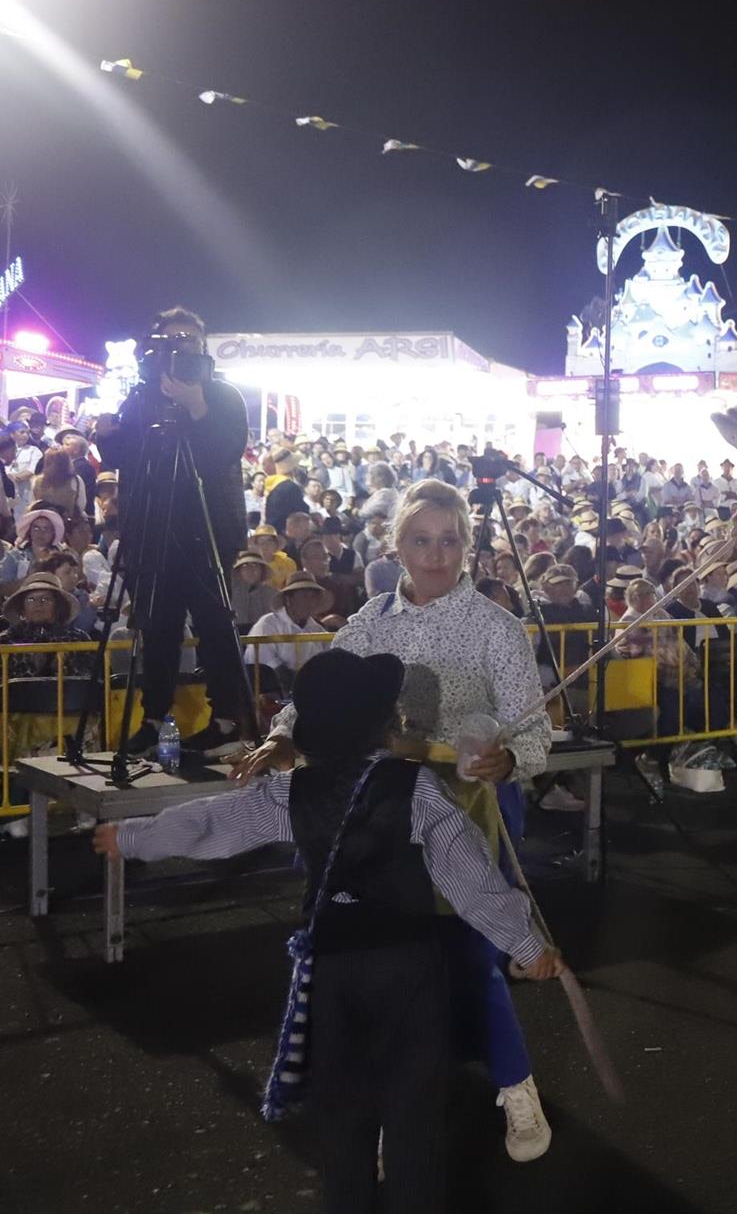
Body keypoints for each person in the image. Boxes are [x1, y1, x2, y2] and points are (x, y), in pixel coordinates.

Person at [95, 649, 560, 1214]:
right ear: (387, 722)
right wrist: (528, 945)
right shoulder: (417, 789)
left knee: (342, 1109)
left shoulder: (292, 793)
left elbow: (213, 823)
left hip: (332, 969)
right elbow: (473, 883)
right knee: (414, 1114)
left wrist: (132, 837)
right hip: (409, 966)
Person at [235, 479, 557, 1162]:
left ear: (467, 545)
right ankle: (392, 1114)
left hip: (467, 812)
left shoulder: (494, 627)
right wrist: (285, 734)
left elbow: (533, 730)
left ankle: (516, 1086)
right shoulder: (368, 623)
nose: (435, 555)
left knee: (473, 956)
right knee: (383, 968)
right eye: (421, 540)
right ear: (396, 545)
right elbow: (320, 694)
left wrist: (510, 759)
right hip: (375, 818)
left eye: (448, 541)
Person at [90, 307, 252, 758]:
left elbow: (225, 452)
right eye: (170, 338)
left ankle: (227, 721)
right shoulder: (141, 397)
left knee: (216, 625)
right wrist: (106, 434)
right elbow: (124, 454)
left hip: (207, 529)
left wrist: (197, 405)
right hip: (152, 528)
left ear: (203, 346)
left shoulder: (222, 395)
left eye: (188, 339)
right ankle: (154, 720)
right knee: (157, 629)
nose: (179, 346)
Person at [245, 571, 335, 685]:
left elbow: (329, 659)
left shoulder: (317, 629)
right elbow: (267, 665)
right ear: (288, 599)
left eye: (313, 596)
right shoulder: (268, 624)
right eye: (304, 596)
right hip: (271, 691)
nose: (310, 601)